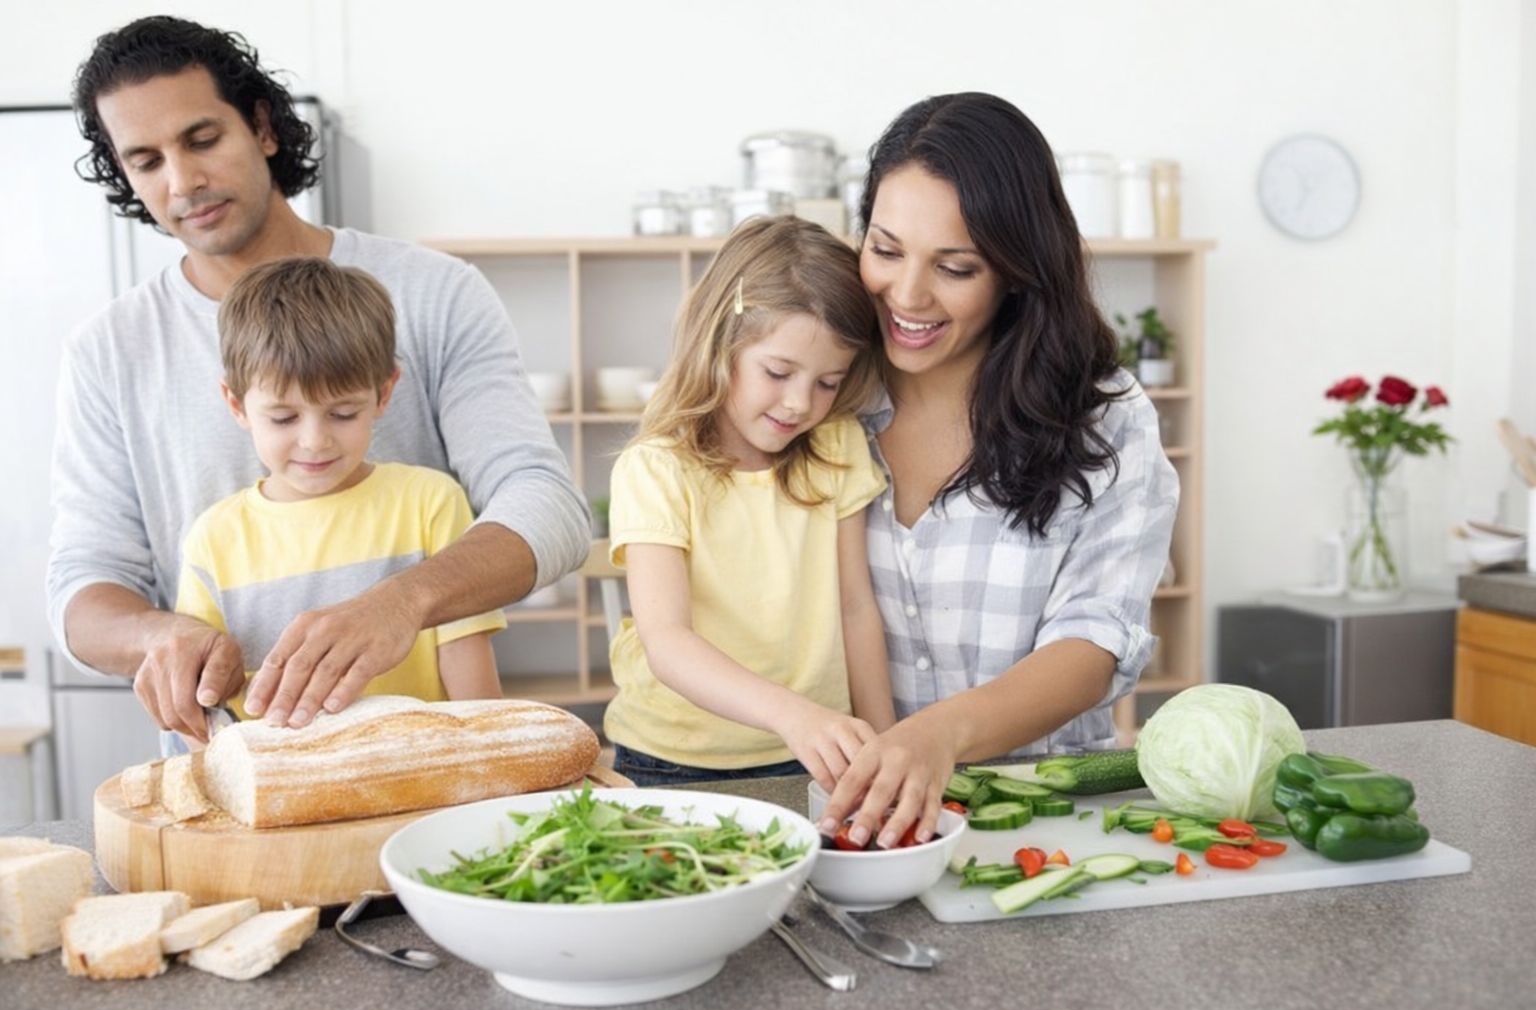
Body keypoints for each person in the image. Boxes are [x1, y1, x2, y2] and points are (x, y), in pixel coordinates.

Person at [49, 16, 589, 742]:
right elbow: (83, 585)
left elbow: (548, 508)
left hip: (417, 762)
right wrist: (157, 635)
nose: (182, 182)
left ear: (263, 127)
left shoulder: (435, 293)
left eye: (202, 140)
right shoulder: (107, 351)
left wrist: (404, 602)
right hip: (239, 767)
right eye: (146, 161)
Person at [818, 93, 1179, 850]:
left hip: (1043, 816)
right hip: (851, 821)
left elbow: (1093, 643)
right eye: (886, 251)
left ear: (1017, 270)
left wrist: (937, 736)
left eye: (955, 267)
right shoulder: (818, 396)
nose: (907, 296)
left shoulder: (1104, 418)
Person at [604, 216, 895, 790]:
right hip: (672, 760)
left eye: (828, 382)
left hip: (812, 751)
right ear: (720, 344)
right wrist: (793, 715)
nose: (800, 403)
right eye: (778, 372)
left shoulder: (835, 446)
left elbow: (856, 607)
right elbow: (668, 643)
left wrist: (884, 743)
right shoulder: (656, 468)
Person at [166, 257, 505, 749]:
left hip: (420, 771)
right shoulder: (213, 539)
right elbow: (206, 708)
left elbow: (474, 691)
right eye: (283, 418)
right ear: (237, 405)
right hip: (281, 784)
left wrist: (493, 760)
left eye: (343, 413)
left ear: (384, 393)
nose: (315, 441)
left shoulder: (430, 503)